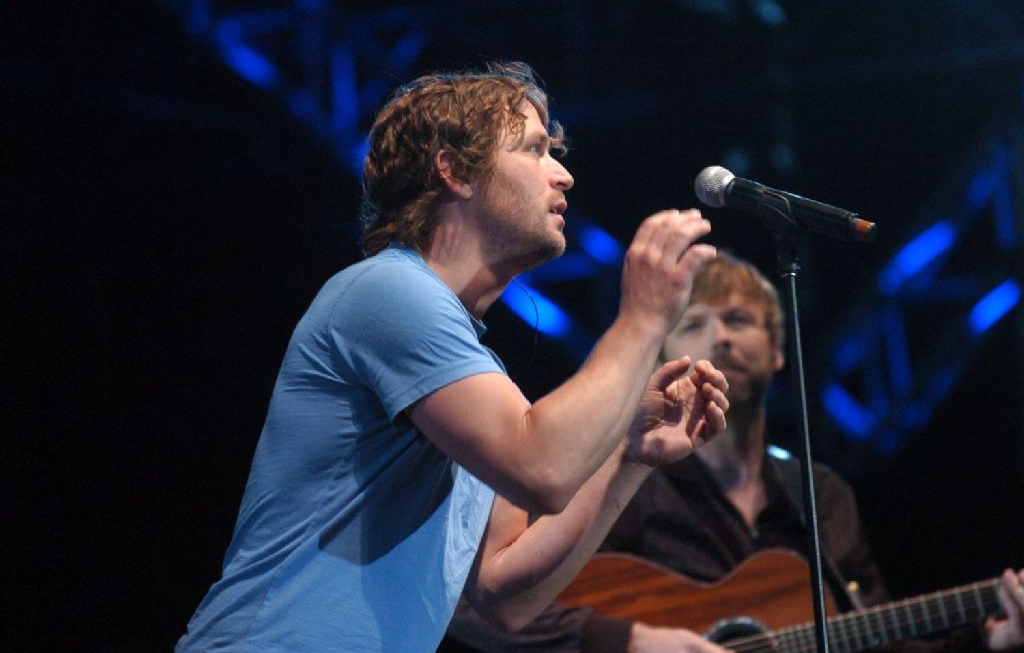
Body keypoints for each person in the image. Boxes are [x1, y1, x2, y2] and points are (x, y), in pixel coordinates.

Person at [175, 62, 732, 652]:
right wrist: (643, 319)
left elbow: (505, 594)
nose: (563, 175)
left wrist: (629, 454)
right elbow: (542, 470)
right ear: (454, 170)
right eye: (534, 150)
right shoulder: (388, 291)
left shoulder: (465, 367)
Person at [442, 252, 1024, 653]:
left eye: (739, 320)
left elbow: (869, 637)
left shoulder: (820, 496)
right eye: (695, 323)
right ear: (664, 353)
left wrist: (989, 638)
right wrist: (629, 640)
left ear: (777, 350)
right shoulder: (618, 479)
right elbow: (482, 606)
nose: (720, 337)